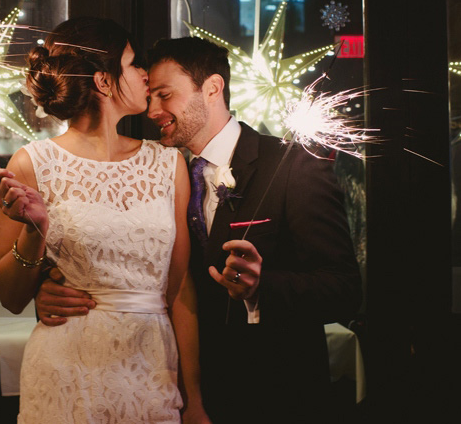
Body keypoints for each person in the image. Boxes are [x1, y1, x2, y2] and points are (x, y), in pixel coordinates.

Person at [37, 36, 362, 423]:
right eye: (150, 96)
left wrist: (262, 288)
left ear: (211, 88)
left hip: (277, 394)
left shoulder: (293, 166)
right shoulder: (157, 173)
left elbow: (344, 289)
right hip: (175, 391)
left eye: (164, 95)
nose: (152, 110)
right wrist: (52, 286)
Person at [0, 19, 209, 423]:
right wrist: (35, 232)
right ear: (104, 82)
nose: (144, 73)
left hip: (151, 368)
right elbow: (9, 296)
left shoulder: (167, 163)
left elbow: (179, 290)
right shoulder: (32, 162)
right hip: (63, 371)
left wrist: (192, 399)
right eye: (131, 63)